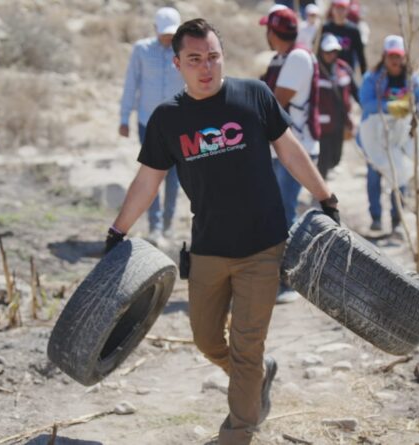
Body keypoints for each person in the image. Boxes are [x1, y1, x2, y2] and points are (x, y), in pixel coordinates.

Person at [104, 19, 340, 445]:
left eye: (213, 56)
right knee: (207, 339)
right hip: (209, 248)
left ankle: (237, 433)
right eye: (195, 59)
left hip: (263, 246)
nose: (206, 67)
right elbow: (147, 180)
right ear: (177, 63)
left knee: (247, 346)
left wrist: (326, 197)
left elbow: (289, 150)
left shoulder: (254, 95)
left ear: (222, 57)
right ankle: (256, 376)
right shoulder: (167, 119)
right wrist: (118, 230)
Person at [260, 7, 321, 304]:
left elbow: (275, 102)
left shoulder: (297, 58)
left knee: (285, 212)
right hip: (282, 147)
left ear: (273, 32)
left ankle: (290, 280)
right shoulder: (284, 58)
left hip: (294, 148)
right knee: (278, 212)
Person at [119, 7, 185, 244]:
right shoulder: (141, 50)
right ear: (155, 29)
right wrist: (124, 118)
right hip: (148, 123)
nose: (168, 39)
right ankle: (155, 226)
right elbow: (131, 83)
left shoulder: (185, 50)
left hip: (179, 125)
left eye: (172, 34)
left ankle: (168, 225)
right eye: (164, 33)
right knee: (151, 176)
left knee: (174, 176)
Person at [360, 35, 419, 234]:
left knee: (400, 174)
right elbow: (366, 103)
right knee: (374, 174)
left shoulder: (413, 79)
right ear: (384, 56)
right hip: (375, 136)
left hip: (401, 136)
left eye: (398, 56)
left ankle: (397, 220)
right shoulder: (372, 78)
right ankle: (376, 217)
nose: (395, 61)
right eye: (391, 56)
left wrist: (413, 111)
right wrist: (390, 107)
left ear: (404, 56)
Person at [317, 33, 358, 179]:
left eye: (333, 51)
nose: (330, 55)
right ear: (321, 51)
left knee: (336, 157)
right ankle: (320, 191)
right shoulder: (314, 70)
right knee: (323, 156)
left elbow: (354, 89)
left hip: (340, 120)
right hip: (322, 123)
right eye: (327, 51)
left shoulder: (343, 68)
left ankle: (326, 172)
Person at [322, 0, 367, 75]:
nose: (339, 11)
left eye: (342, 8)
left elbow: (360, 55)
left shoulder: (353, 30)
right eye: (337, 8)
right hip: (327, 72)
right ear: (332, 9)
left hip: (347, 72)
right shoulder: (325, 28)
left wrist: (364, 74)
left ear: (347, 10)